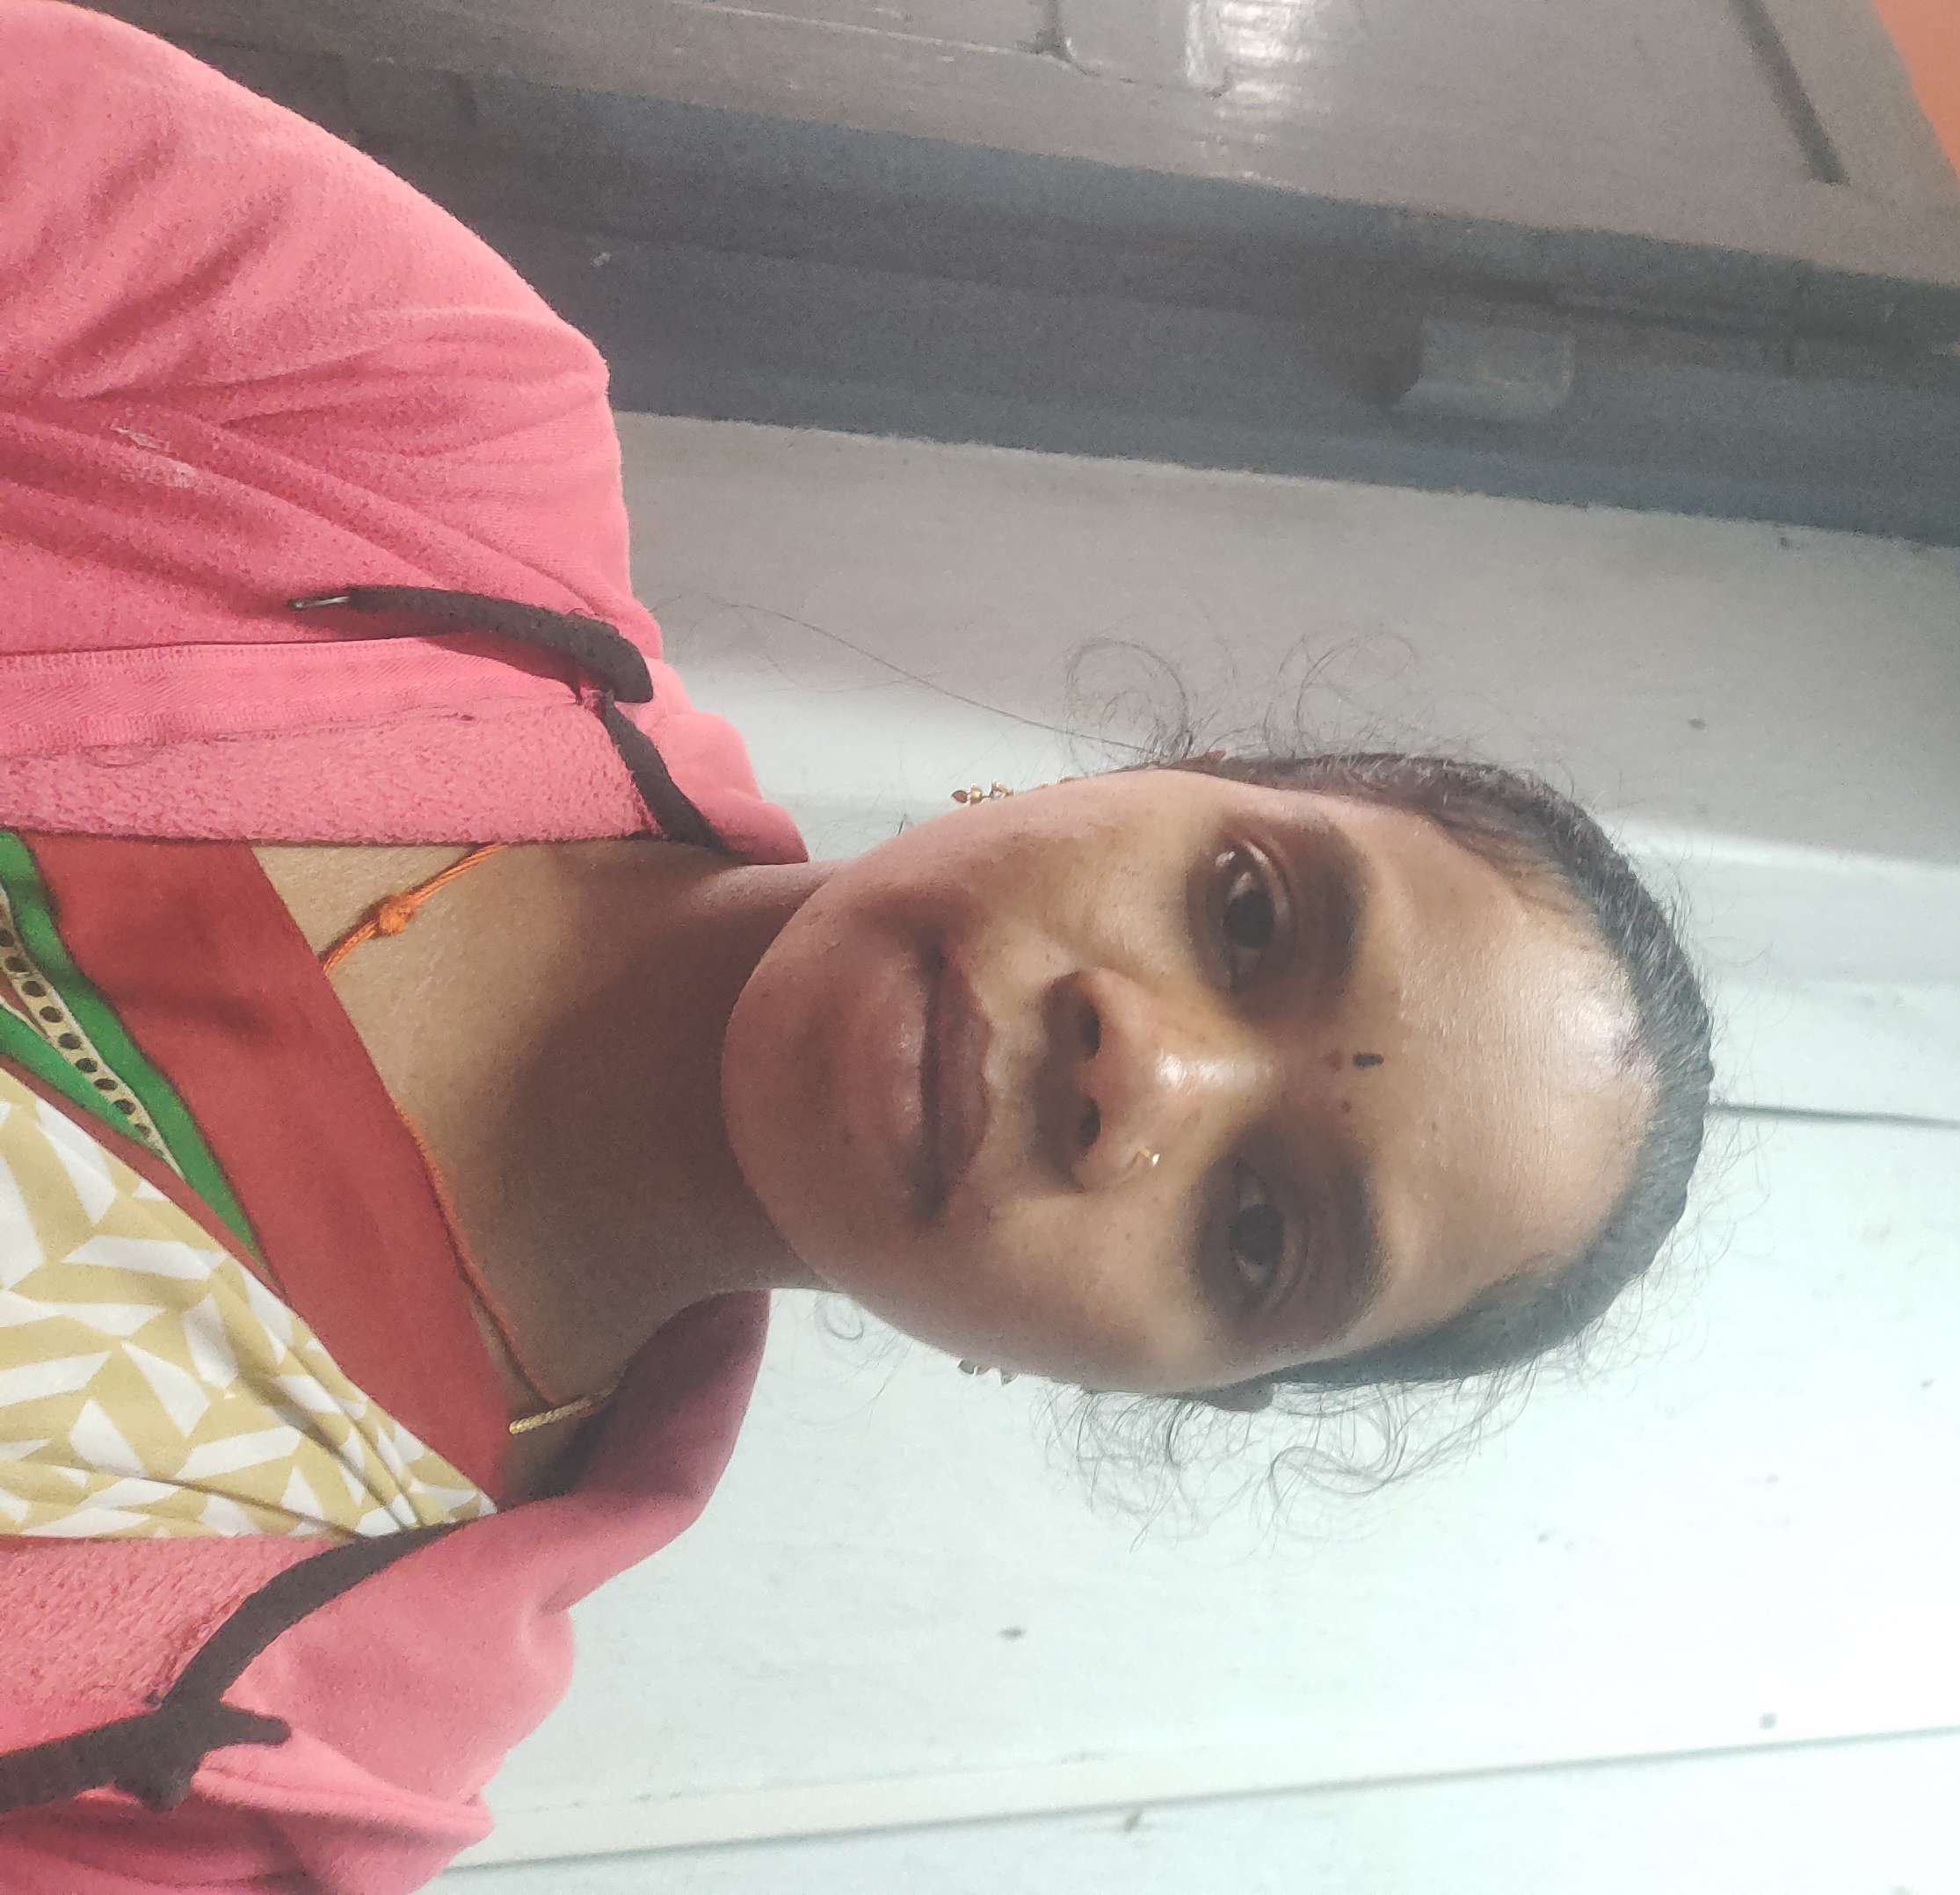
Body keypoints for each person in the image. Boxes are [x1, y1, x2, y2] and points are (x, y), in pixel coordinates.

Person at [0, 6, 1713, 1889]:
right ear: (1155, 777)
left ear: (1157, 1382)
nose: (1143, 1068)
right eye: (1247, 912)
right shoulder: (398, 410)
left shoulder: (285, 1792)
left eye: (1256, 1233)